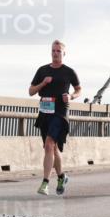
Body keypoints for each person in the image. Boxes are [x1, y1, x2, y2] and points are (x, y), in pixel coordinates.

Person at [29, 40, 81, 195]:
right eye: (53, 50)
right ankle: (61, 176)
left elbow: (79, 89)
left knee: (49, 144)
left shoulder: (69, 71)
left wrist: (71, 96)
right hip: (45, 113)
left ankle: (45, 183)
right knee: (53, 148)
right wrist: (43, 84)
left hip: (60, 112)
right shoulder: (42, 70)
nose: (55, 53)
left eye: (59, 51)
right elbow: (31, 91)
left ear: (64, 53)